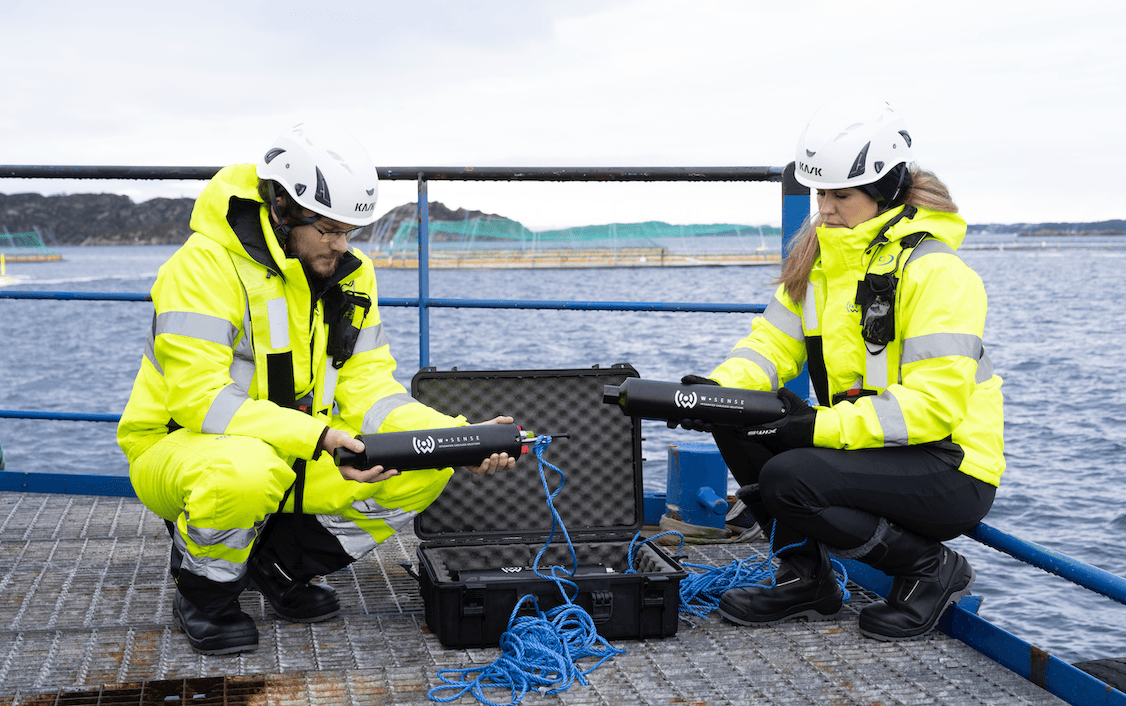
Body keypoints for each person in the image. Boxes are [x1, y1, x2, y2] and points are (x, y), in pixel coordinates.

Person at [117, 120, 516, 655]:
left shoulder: (351, 273)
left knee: (424, 465)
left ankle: (276, 566)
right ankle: (205, 595)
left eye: (350, 231)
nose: (341, 246)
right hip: (184, 447)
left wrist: (457, 437)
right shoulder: (201, 267)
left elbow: (371, 388)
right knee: (243, 472)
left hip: (301, 447)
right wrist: (321, 438)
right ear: (281, 206)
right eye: (328, 231)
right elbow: (199, 399)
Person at [677, 95, 1004, 641]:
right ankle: (806, 580)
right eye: (819, 193)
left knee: (789, 477)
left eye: (841, 195)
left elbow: (933, 407)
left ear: (886, 190)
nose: (825, 209)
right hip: (873, 445)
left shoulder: (938, 274)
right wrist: (716, 391)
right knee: (735, 416)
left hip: (950, 466)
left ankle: (929, 567)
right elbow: (769, 347)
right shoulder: (820, 264)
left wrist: (815, 429)